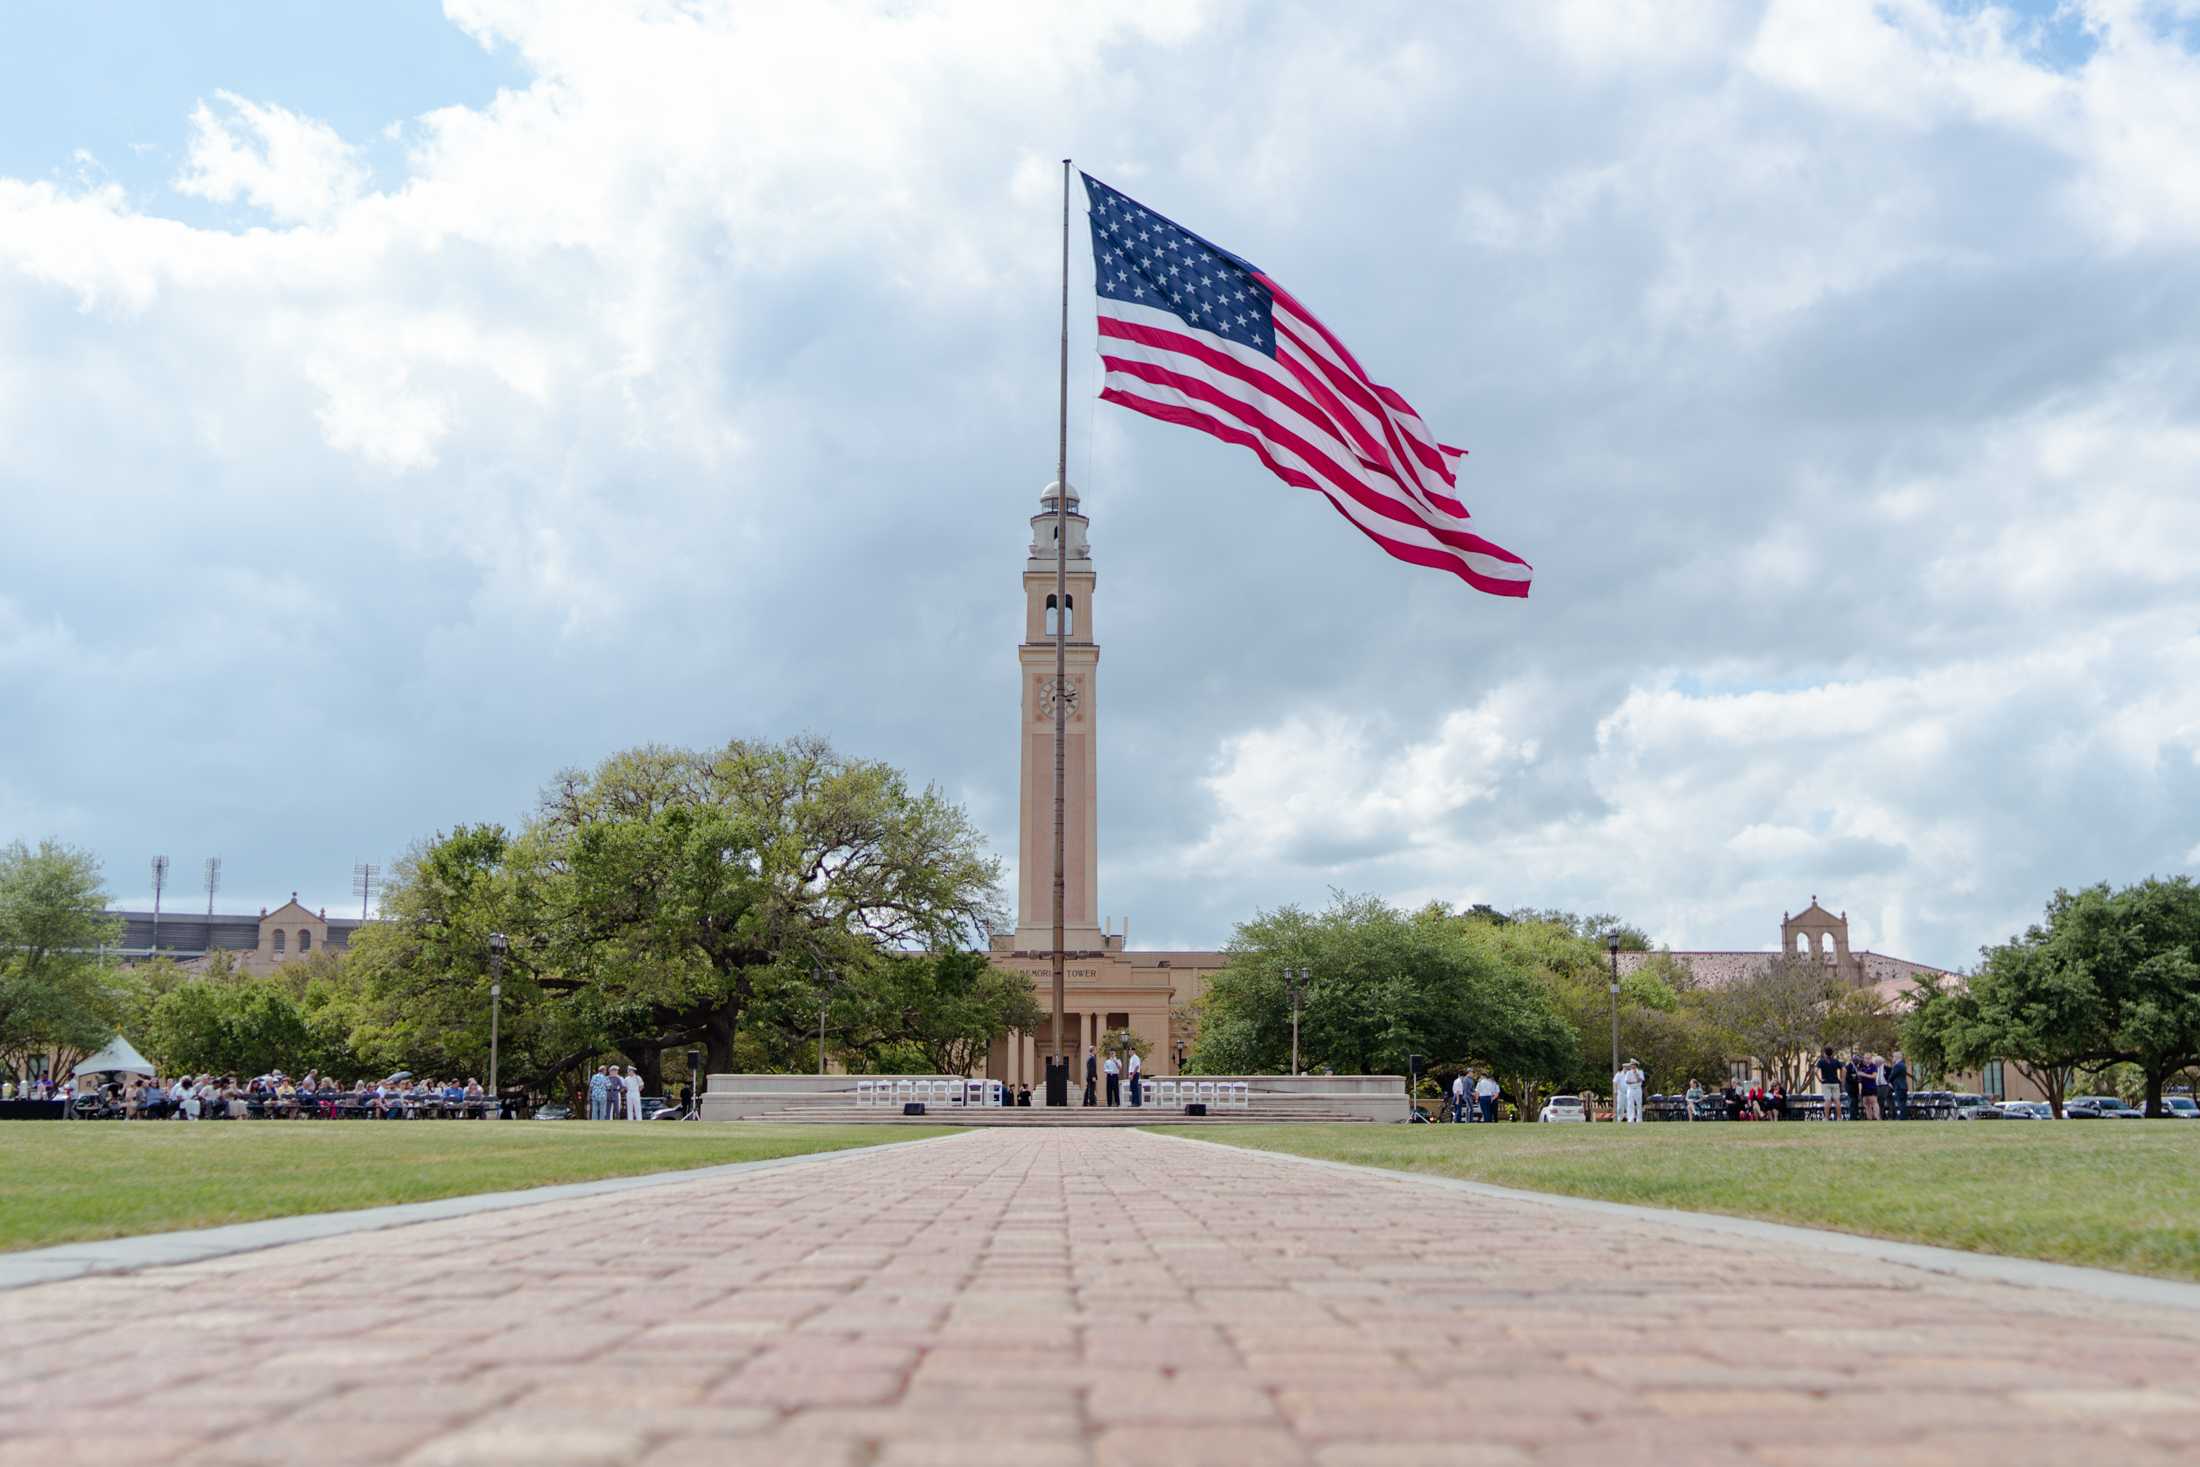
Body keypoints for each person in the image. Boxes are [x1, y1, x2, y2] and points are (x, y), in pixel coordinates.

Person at [1815, 1046, 1843, 1120]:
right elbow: (1844, 1069)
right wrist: (1841, 1079)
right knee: (1837, 1100)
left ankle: (1826, 1117)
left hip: (1826, 1083)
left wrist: (1819, 1080)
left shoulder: (1821, 1061)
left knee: (1827, 1100)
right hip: (1835, 1082)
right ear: (1832, 1053)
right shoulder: (1836, 1061)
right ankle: (1839, 1117)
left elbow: (1815, 1071)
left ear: (1825, 1053)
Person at [1885, 1051, 1910, 1121]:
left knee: (1900, 1103)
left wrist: (1888, 1081)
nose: (1893, 1058)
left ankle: (1902, 1117)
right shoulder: (1903, 1064)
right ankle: (1904, 1117)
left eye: (1893, 1057)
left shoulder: (1898, 1065)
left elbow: (1892, 1075)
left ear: (1897, 1057)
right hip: (1903, 1086)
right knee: (1903, 1103)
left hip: (1899, 1087)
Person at [1856, 1054, 1881, 1120]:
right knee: (1866, 1104)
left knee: (1874, 1103)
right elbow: (1858, 1076)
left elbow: (1874, 1076)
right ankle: (1869, 1118)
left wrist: (1863, 1074)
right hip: (1864, 1088)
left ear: (1871, 1059)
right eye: (1865, 1058)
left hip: (1872, 1087)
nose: (1867, 1060)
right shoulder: (1861, 1066)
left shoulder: (1873, 1066)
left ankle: (1877, 1117)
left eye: (1868, 1058)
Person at [1843, 1051, 1863, 1122]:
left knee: (1856, 1102)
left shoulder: (1857, 1066)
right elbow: (1848, 1078)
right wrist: (1857, 1080)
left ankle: (1856, 1116)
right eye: (1857, 1060)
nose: (1858, 1062)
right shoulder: (1848, 1067)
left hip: (1855, 1088)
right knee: (1852, 1102)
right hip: (1850, 1088)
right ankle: (1852, 1117)